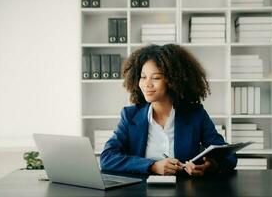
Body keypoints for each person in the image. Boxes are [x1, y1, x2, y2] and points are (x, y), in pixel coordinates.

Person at [100, 44, 237, 176]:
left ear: (173, 81)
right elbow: (107, 158)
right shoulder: (130, 115)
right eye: (143, 77)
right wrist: (152, 166)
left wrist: (211, 166)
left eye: (156, 78)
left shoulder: (195, 114)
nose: (147, 84)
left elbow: (228, 155)